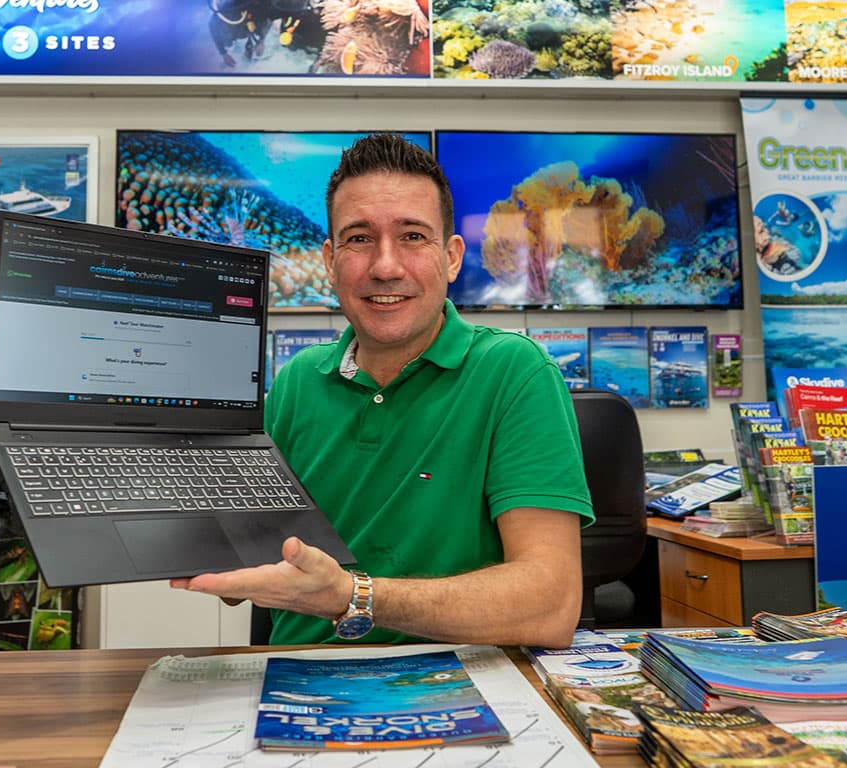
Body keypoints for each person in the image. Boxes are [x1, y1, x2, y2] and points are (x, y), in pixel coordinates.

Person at [171, 133, 593, 648]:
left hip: (465, 687)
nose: (385, 266)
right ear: (329, 260)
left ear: (452, 257)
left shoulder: (516, 372)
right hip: (296, 683)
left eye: (413, 236)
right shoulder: (296, 382)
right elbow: (251, 558)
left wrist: (351, 596)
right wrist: (195, 545)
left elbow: (550, 605)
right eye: (359, 238)